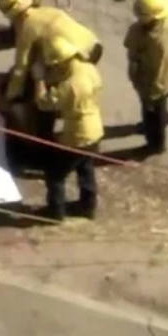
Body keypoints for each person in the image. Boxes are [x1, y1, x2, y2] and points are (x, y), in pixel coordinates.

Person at [0, 0, 100, 151]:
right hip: (91, 47)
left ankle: (45, 133)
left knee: (46, 95)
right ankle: (68, 104)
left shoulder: (27, 27)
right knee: (78, 83)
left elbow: (21, 67)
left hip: (68, 55)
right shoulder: (49, 10)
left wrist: (12, 95)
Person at [37, 36, 104, 221]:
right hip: (95, 127)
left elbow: (44, 103)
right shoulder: (88, 69)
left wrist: (39, 81)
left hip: (78, 134)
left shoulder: (70, 85)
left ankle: (55, 211)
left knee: (55, 174)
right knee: (85, 167)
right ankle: (88, 205)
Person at [124, 0, 168, 156]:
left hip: (154, 84)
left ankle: (156, 144)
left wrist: (152, 94)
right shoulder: (158, 22)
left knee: (154, 112)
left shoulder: (159, 42)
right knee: (153, 111)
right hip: (149, 76)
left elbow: (160, 73)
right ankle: (153, 125)